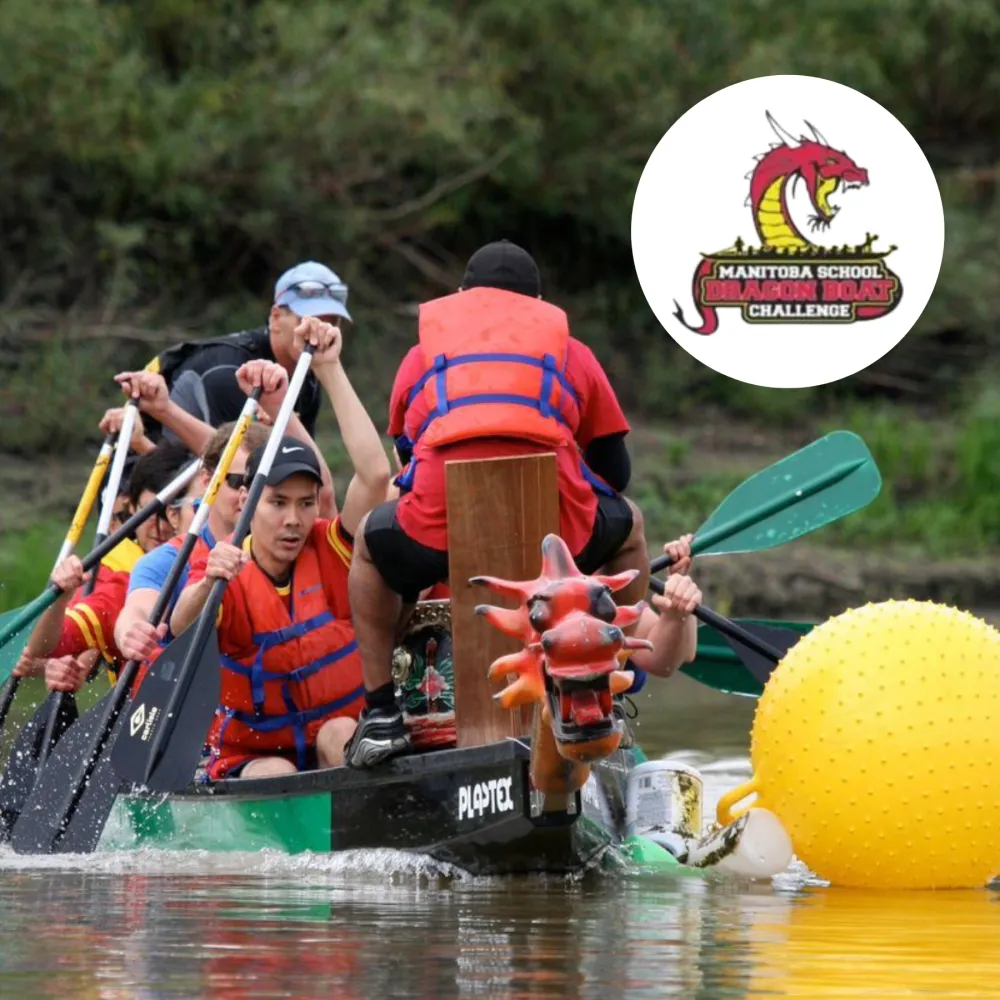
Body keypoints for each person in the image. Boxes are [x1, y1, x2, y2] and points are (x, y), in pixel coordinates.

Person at [343, 240, 650, 768]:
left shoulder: (421, 357)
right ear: (537, 304)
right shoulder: (571, 352)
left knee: (370, 546)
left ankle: (379, 713)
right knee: (633, 525)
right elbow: (615, 474)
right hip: (557, 535)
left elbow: (408, 456)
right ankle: (605, 682)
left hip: (442, 530)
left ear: (462, 296)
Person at [159, 319, 390, 779]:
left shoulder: (328, 548)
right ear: (247, 500)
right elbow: (180, 626)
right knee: (277, 775)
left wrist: (329, 368)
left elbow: (376, 476)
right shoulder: (223, 563)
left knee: (342, 732)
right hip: (255, 754)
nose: (293, 520)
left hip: (334, 736)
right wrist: (209, 585)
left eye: (306, 504)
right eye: (278, 502)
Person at [21, 442, 195, 683]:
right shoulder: (117, 576)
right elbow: (44, 646)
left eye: (168, 513)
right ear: (132, 509)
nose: (160, 526)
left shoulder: (231, 553)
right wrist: (54, 663)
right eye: (148, 512)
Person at [143, 261, 352, 439]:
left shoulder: (308, 379)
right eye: (308, 320)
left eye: (331, 322)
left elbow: (308, 471)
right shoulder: (230, 371)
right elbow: (234, 469)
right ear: (276, 318)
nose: (318, 332)